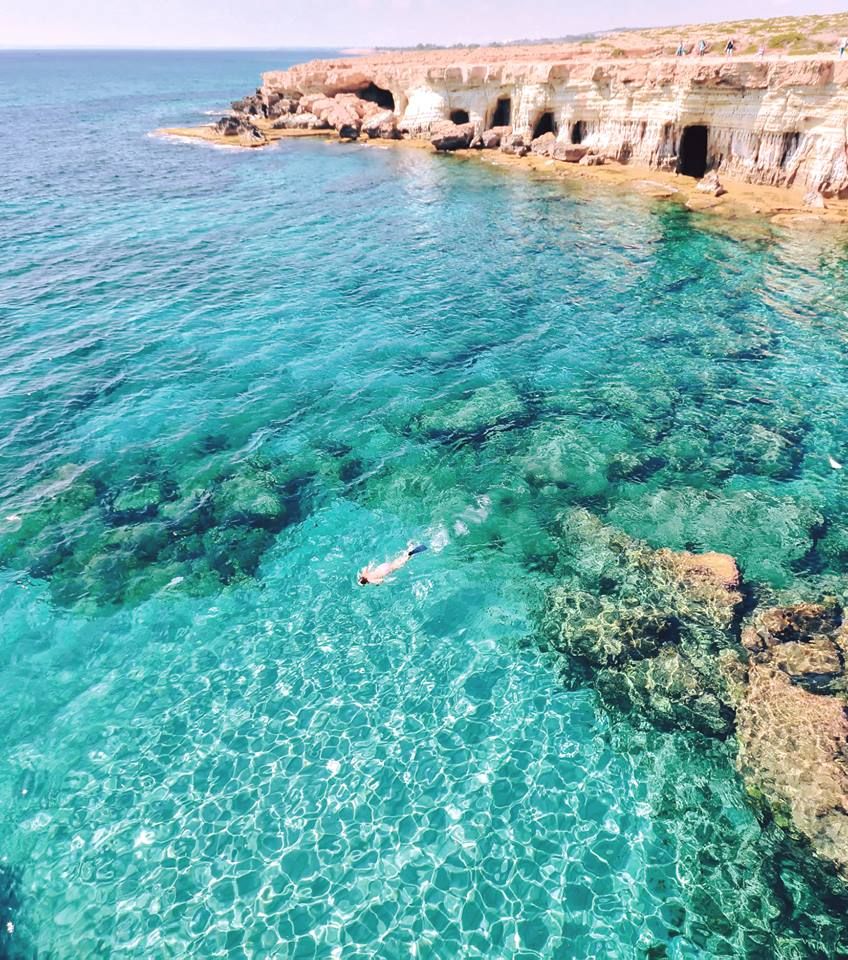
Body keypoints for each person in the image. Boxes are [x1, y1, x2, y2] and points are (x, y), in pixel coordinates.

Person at [357, 542, 428, 585]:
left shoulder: (370, 580)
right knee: (395, 562)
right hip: (381, 567)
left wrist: (377, 584)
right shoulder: (365, 574)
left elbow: (381, 580)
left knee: (401, 564)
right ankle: (409, 550)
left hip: (385, 571)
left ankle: (410, 553)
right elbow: (365, 567)